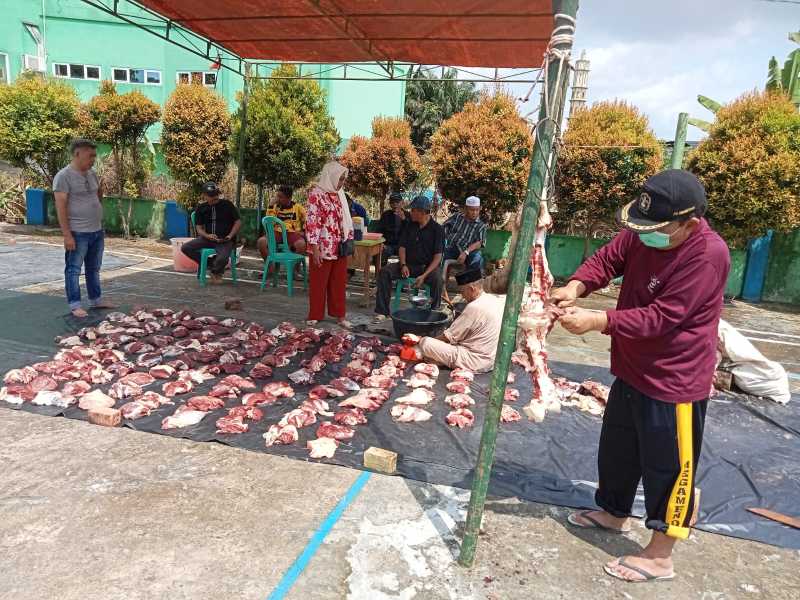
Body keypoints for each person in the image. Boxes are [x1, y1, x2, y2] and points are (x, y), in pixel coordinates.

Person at [552, 170, 730, 584]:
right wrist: (577, 286)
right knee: (619, 447)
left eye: (656, 229)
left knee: (668, 466)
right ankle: (614, 512)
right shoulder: (647, 230)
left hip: (674, 379)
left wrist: (599, 319)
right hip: (632, 369)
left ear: (689, 224)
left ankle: (660, 554)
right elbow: (609, 258)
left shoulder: (707, 254)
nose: (644, 234)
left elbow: (665, 317)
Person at [54, 138, 114, 318]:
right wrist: (67, 235)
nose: (93, 159)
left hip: (96, 231)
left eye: (94, 156)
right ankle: (75, 304)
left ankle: (96, 300)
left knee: (94, 267)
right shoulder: (63, 177)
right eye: (90, 156)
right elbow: (61, 206)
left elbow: (98, 195)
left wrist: (96, 214)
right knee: (73, 269)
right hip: (77, 233)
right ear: (77, 154)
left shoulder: (92, 174)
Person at [416, 269, 504, 372]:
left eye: (462, 291)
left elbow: (448, 337)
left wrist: (420, 342)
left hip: (475, 361)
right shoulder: (494, 299)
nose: (462, 295)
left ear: (471, 289)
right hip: (492, 360)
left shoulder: (474, 307)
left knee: (426, 343)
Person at [373, 195, 444, 322]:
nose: (410, 213)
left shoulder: (437, 229)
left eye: (413, 210)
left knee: (438, 278)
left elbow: (438, 257)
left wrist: (424, 275)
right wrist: (403, 264)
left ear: (421, 212)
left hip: (427, 268)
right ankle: (382, 312)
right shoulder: (410, 226)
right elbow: (402, 247)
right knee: (384, 272)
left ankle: (434, 313)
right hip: (409, 265)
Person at [306, 160, 353, 328]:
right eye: (340, 179)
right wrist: (315, 248)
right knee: (318, 282)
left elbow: (344, 219)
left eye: (343, 180)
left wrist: (348, 237)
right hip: (322, 246)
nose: (342, 183)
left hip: (339, 245)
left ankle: (340, 315)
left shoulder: (338, 194)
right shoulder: (316, 194)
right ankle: (315, 314)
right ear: (330, 176)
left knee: (338, 282)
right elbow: (313, 222)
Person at [180, 182, 241, 285]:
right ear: (204, 195)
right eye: (211, 196)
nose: (215, 198)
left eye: (216, 195)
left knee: (223, 257)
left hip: (224, 239)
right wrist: (207, 235)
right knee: (186, 248)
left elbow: (238, 222)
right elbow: (199, 228)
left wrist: (230, 235)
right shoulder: (201, 208)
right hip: (207, 239)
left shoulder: (227, 205)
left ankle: (215, 271)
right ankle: (211, 264)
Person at [257, 185, 306, 259]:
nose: (277, 199)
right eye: (277, 196)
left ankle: (294, 268)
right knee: (261, 242)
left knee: (301, 245)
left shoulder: (298, 208)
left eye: (280, 197)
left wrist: (303, 232)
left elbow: (307, 220)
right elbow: (269, 222)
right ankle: (270, 266)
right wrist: (270, 206)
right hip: (277, 232)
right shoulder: (275, 207)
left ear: (289, 198)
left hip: (292, 233)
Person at [443, 195, 487, 273]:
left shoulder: (481, 226)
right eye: (472, 210)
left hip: (466, 251)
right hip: (450, 247)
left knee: (477, 258)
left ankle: (466, 282)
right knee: (439, 255)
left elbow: (480, 243)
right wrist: (444, 239)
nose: (475, 213)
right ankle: (441, 283)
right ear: (466, 208)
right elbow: (445, 226)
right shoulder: (457, 217)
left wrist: (466, 252)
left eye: (477, 210)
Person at [375, 192, 410, 257]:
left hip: (403, 246)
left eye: (397, 202)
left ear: (402, 202)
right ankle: (380, 267)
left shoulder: (408, 215)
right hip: (388, 245)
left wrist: (404, 219)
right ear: (390, 204)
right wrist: (381, 243)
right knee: (380, 252)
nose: (395, 204)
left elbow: (412, 231)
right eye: (392, 202)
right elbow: (379, 230)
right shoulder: (386, 215)